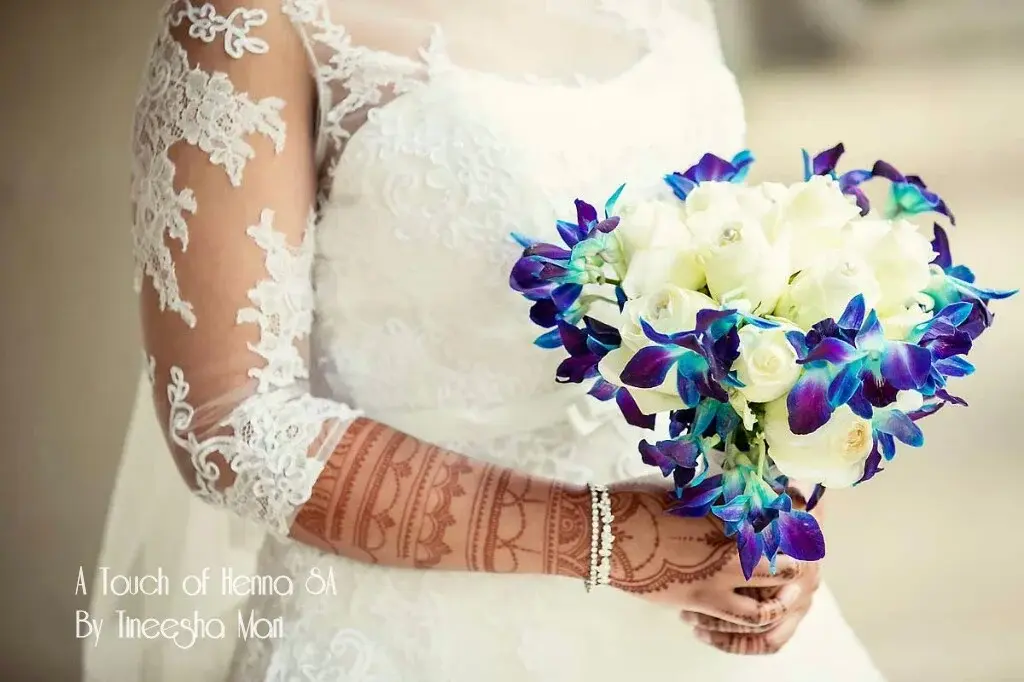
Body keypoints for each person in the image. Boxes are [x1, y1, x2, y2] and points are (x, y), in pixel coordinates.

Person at [85, 0, 886, 679]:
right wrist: (604, 539)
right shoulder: (249, 24)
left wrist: (765, 495)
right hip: (408, 628)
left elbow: (720, 291)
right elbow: (229, 418)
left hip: (698, 604)